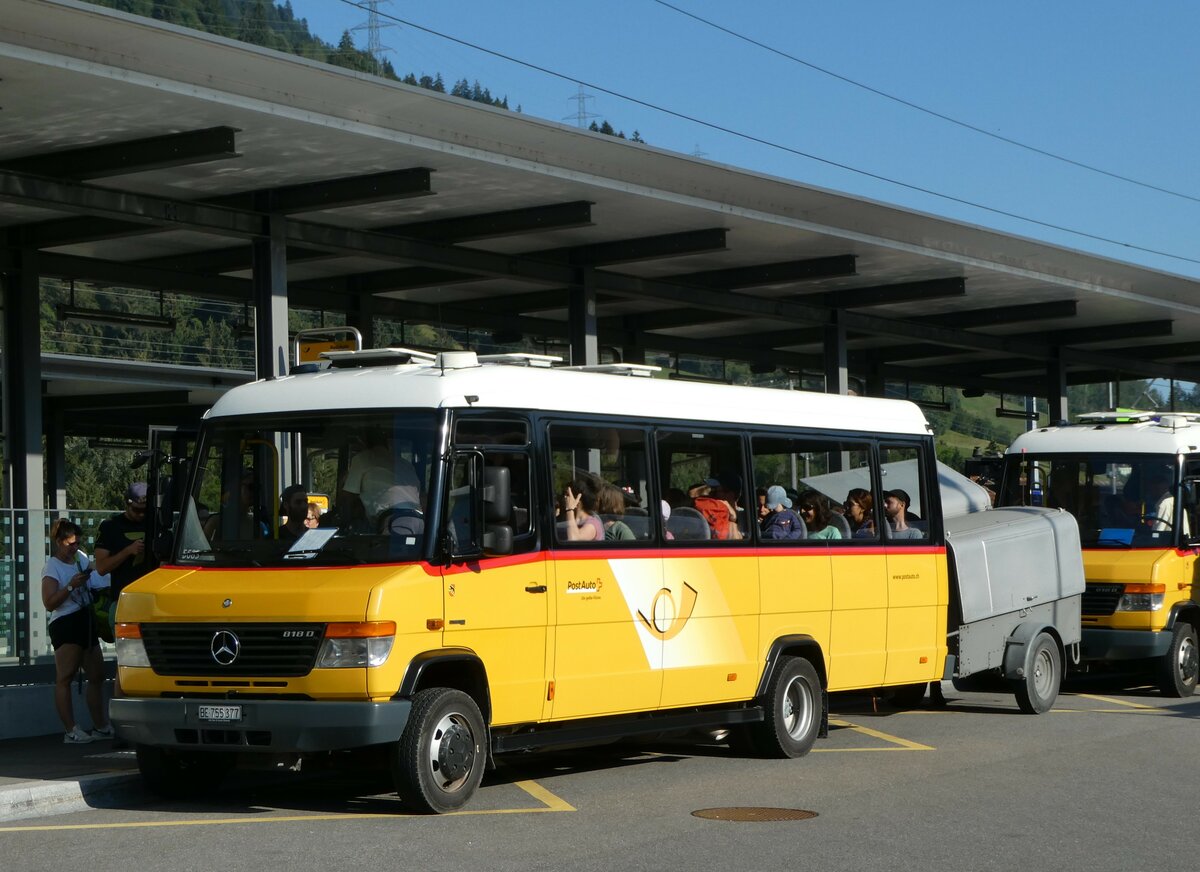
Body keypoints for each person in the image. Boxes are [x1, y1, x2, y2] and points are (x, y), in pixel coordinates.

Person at [42, 519, 113, 744]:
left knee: (97, 674)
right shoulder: (52, 567)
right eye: (70, 543)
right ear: (59, 542)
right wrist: (71, 585)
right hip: (66, 622)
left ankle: (100, 726)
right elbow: (49, 603)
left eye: (77, 543)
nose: (74, 547)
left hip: (85, 618)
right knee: (65, 676)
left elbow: (99, 573)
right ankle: (71, 730)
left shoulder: (79, 558)